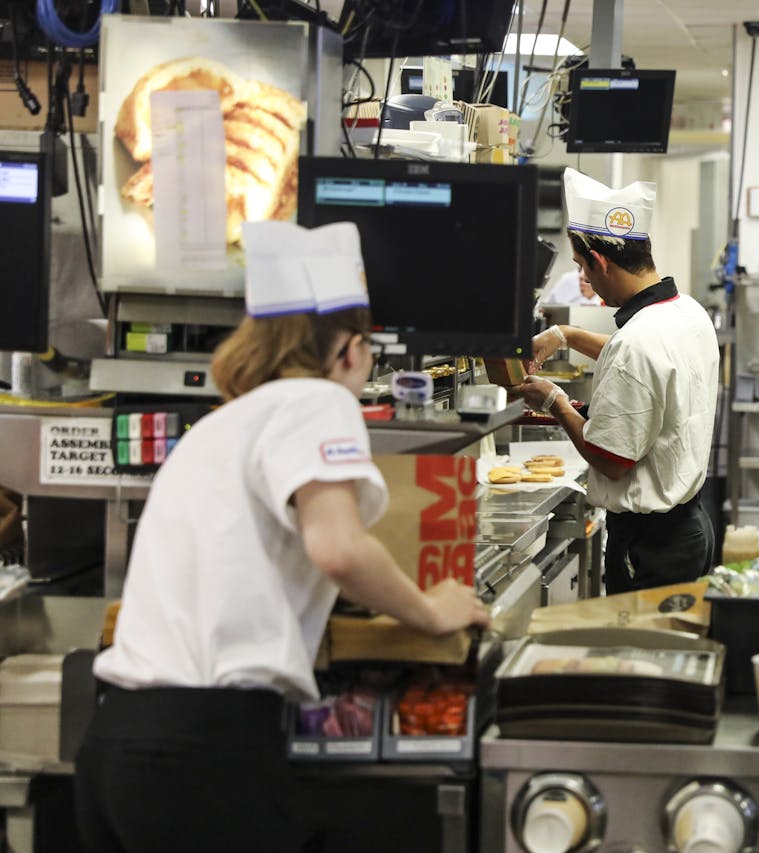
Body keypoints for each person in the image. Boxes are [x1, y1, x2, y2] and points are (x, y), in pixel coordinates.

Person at [73, 221, 489, 853]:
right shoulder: (315, 400)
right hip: (202, 748)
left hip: (114, 742)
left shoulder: (221, 423)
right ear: (350, 349)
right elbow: (338, 547)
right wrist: (432, 610)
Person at [512, 169, 720, 593]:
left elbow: (611, 460)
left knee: (639, 656)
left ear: (600, 262)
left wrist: (554, 400)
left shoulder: (639, 341)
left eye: (582, 267)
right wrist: (565, 335)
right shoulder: (686, 312)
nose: (586, 280)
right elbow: (643, 359)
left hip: (649, 548)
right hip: (690, 530)